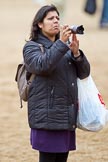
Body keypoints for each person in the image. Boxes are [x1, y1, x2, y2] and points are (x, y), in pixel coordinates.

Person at [23, 4, 90, 162]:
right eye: (50, 18)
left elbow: (84, 73)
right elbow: (42, 65)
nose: (55, 21)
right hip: (46, 118)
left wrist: (76, 53)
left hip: (66, 116)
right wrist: (61, 44)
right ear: (40, 24)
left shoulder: (64, 47)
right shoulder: (31, 47)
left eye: (57, 18)